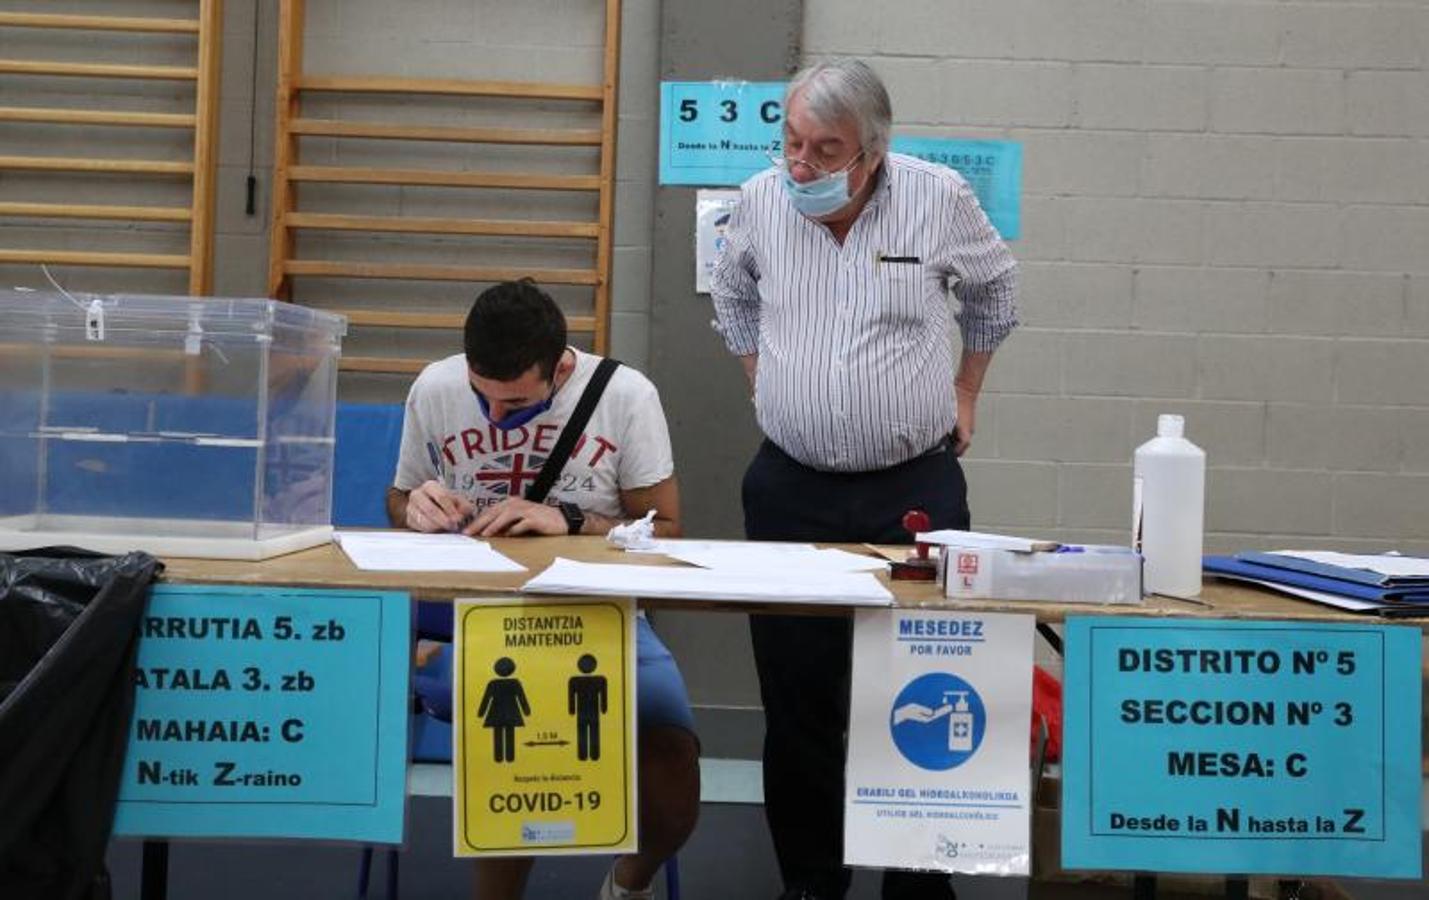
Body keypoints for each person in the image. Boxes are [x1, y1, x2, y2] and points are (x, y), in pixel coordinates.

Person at [710, 59, 1019, 900]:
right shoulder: (760, 202)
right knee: (798, 700)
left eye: (825, 150)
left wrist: (965, 391)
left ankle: (918, 883)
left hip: (910, 486)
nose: (801, 165)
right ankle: (811, 882)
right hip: (789, 488)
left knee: (920, 685)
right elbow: (731, 297)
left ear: (872, 152)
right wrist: (764, 382)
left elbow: (996, 294)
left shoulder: (937, 198)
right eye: (792, 143)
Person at [387, 279, 700, 900]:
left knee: (673, 757)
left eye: (517, 405)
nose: (497, 417)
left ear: (560, 368)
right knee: (514, 740)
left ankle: (627, 882)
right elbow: (398, 499)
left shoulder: (626, 395)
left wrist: (575, 520)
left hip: (600, 618)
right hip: (477, 617)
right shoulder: (436, 386)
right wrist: (413, 507)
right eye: (485, 400)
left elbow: (665, 530)